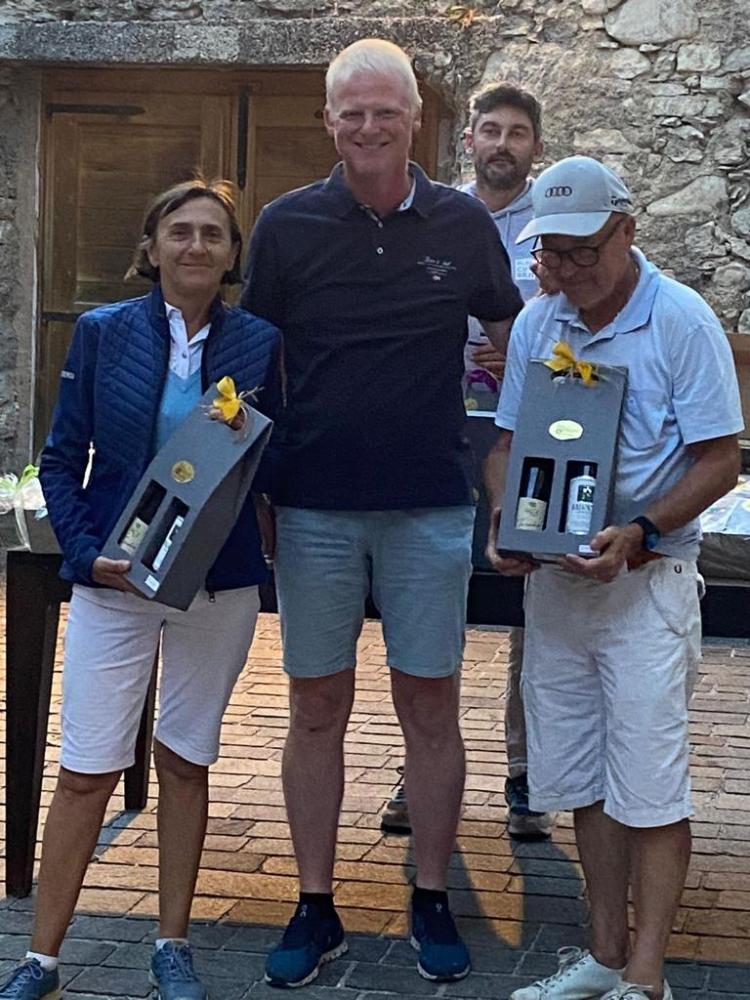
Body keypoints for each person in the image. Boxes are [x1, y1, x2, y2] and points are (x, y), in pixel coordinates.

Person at [243, 38, 523, 989]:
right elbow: (256, 363)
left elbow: (516, 339)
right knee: (316, 707)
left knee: (430, 706)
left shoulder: (462, 223)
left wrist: (527, 450)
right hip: (314, 505)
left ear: (416, 119)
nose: (369, 128)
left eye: (386, 113)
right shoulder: (284, 226)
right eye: (352, 113)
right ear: (329, 121)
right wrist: (254, 488)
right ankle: (314, 903)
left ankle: (431, 896)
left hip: (428, 504)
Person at [0, 178, 280, 1000]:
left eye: (213, 234)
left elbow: (277, 461)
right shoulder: (103, 333)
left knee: (185, 761)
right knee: (86, 768)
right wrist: (87, 554)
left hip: (217, 584)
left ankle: (172, 944)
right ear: (151, 247)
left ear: (232, 255)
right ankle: (43, 958)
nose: (196, 245)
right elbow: (61, 460)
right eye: (180, 231)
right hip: (115, 581)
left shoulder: (260, 343)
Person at [484, 156, 742, 1000]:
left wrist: (641, 532)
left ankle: (646, 976)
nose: (563, 270)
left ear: (627, 232)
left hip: (647, 584)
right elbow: (505, 446)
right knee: (581, 779)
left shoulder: (682, 320)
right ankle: (603, 954)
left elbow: (720, 460)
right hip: (558, 585)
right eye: (550, 253)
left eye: (581, 252)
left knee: (650, 786)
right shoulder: (538, 321)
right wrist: (507, 519)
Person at [381, 81, 554, 839]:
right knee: (428, 598)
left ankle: (528, 774)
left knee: (533, 603)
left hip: (530, 434)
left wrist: (525, 354)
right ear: (469, 140)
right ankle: (416, 772)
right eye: (491, 130)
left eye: (517, 133)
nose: (502, 144)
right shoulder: (436, 217)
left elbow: (576, 325)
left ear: (535, 146)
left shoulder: (556, 227)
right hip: (441, 430)